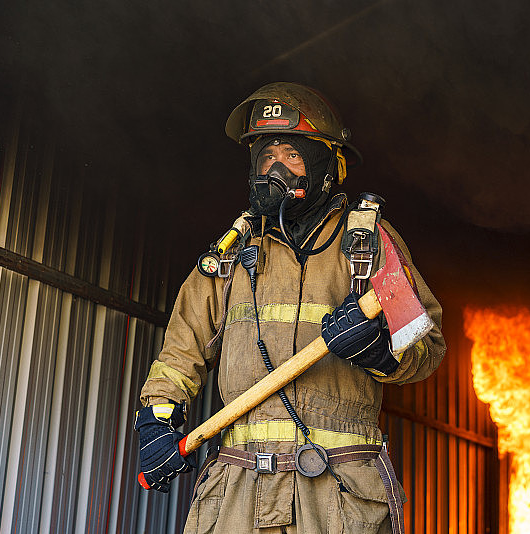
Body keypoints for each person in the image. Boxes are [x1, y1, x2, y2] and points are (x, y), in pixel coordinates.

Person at [134, 82, 446, 534]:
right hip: (238, 491)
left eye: (292, 155)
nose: (275, 168)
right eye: (266, 156)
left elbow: (427, 347)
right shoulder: (230, 254)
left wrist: (379, 351)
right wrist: (157, 422)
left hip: (338, 494)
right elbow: (180, 352)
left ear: (327, 165)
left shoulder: (368, 243)